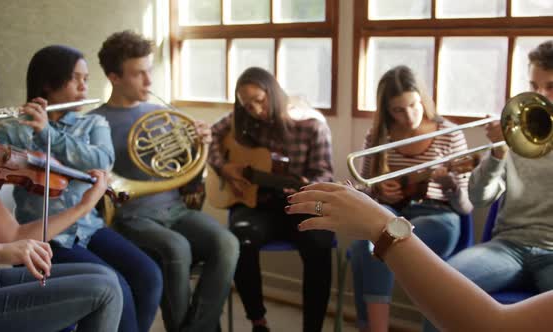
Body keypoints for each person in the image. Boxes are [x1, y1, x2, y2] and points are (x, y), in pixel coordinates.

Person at [0, 45, 163, 332]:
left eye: (86, 78)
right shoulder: (13, 131)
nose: (85, 86)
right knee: (115, 285)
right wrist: (33, 131)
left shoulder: (93, 123)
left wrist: (48, 134)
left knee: (149, 275)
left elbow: (101, 160)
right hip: (47, 235)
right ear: (49, 83)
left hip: (88, 226)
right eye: (76, 79)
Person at [91, 30, 239, 332]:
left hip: (175, 209)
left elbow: (187, 175)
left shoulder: (163, 114)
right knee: (177, 248)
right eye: (139, 74)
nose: (149, 81)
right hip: (131, 217)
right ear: (114, 77)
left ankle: (194, 328)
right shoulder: (95, 122)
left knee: (228, 242)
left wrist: (203, 147)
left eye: (150, 71)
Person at [0, 54, 123, 331]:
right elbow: (5, 245)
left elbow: (14, 235)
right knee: (104, 290)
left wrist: (84, 207)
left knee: (104, 275)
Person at [285, 182, 553, 331]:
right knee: (446, 292)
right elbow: (483, 193)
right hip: (507, 244)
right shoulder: (517, 147)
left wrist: (382, 227)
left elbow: (493, 326)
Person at [422, 40, 553, 331]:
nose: (540, 96)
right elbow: (479, 198)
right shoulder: (519, 133)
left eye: (551, 87)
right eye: (534, 85)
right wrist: (497, 152)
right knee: (438, 291)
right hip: (507, 248)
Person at [208, 66, 334, 332]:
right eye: (247, 104)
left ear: (273, 93)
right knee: (238, 239)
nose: (254, 109)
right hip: (258, 204)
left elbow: (325, 174)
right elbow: (209, 136)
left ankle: (313, 328)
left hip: (300, 203)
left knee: (319, 244)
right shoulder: (242, 118)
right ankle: (258, 322)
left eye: (259, 100)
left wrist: (305, 187)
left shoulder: (311, 124)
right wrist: (224, 168)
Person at [348, 65, 473, 332]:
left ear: (423, 99)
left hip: (438, 217)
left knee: (386, 241)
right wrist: (379, 192)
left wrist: (449, 184)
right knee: (365, 246)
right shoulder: (378, 136)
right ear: (386, 111)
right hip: (390, 212)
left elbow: (465, 207)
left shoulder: (448, 134)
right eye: (398, 110)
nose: (409, 116)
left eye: (414, 105)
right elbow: (365, 190)